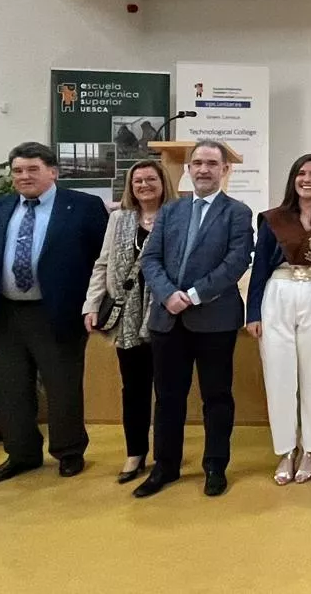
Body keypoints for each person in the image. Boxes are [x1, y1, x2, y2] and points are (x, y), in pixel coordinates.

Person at [0, 141, 109, 485]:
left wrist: (97, 306)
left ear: (53, 172)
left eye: (33, 169)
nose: (24, 176)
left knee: (63, 387)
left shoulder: (83, 207)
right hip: (7, 314)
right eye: (17, 170)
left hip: (59, 312)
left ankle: (69, 451)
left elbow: (103, 262)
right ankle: (21, 454)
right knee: (12, 389)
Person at [134, 139, 254, 498]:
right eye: (197, 163)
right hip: (167, 318)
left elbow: (236, 262)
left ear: (224, 170)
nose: (203, 169)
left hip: (214, 320)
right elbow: (150, 259)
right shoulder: (171, 211)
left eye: (211, 164)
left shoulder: (238, 212)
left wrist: (195, 295)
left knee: (216, 397)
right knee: (168, 397)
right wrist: (168, 294)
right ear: (187, 168)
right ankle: (165, 467)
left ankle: (215, 465)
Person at [248, 154, 311, 486]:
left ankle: (310, 449)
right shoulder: (274, 219)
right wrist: (253, 313)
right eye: (301, 173)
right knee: (279, 374)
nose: (307, 179)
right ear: (293, 179)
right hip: (279, 292)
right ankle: (285, 450)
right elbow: (260, 267)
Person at [82, 159, 177, 485]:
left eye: (151, 179)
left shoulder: (176, 216)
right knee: (133, 389)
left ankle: (166, 456)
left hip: (165, 315)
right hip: (126, 317)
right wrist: (90, 305)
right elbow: (102, 263)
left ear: (163, 182)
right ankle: (135, 452)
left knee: (166, 392)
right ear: (130, 186)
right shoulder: (119, 219)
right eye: (138, 181)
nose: (144, 185)